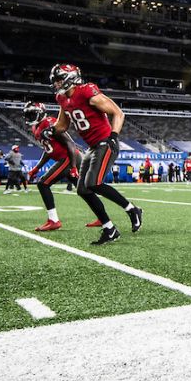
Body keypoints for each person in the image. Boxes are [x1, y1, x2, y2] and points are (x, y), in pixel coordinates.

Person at [51, 63, 143, 245]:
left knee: (94, 183)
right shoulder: (62, 99)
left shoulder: (87, 92)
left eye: (59, 80)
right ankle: (109, 228)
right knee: (82, 189)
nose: (56, 84)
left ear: (69, 78)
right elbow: (61, 126)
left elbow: (118, 113)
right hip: (92, 147)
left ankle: (132, 209)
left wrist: (114, 136)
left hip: (105, 142)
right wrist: (50, 131)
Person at [23, 102, 81, 231]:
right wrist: (36, 168)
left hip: (69, 157)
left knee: (43, 184)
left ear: (41, 113)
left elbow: (70, 144)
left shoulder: (50, 123)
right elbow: (48, 150)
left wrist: (73, 167)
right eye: (28, 115)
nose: (30, 117)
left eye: (32, 114)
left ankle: (53, 220)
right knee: (84, 189)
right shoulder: (35, 128)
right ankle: (105, 217)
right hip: (64, 159)